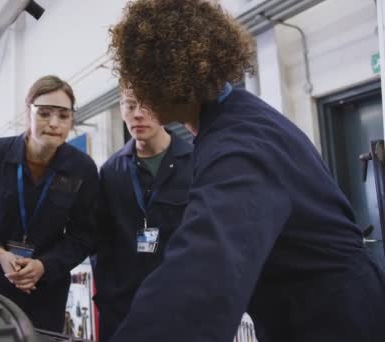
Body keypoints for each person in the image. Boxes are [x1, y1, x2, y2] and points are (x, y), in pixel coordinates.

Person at [106, 1, 385, 341]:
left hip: (335, 323)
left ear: (166, 78)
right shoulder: (239, 120)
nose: (138, 95)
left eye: (139, 77)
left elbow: (202, 278)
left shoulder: (240, 145)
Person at [0, 75, 99, 332]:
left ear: (71, 119)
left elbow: (84, 235)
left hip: (44, 292)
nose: (53, 123)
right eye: (44, 114)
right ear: (27, 113)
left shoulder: (81, 169)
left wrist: (44, 266)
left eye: (63, 116)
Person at [92, 88, 193, 341]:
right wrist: (109, 292)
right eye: (130, 105)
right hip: (124, 308)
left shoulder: (196, 162)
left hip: (182, 303)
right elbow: (100, 239)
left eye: (148, 105)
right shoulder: (111, 171)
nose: (138, 115)